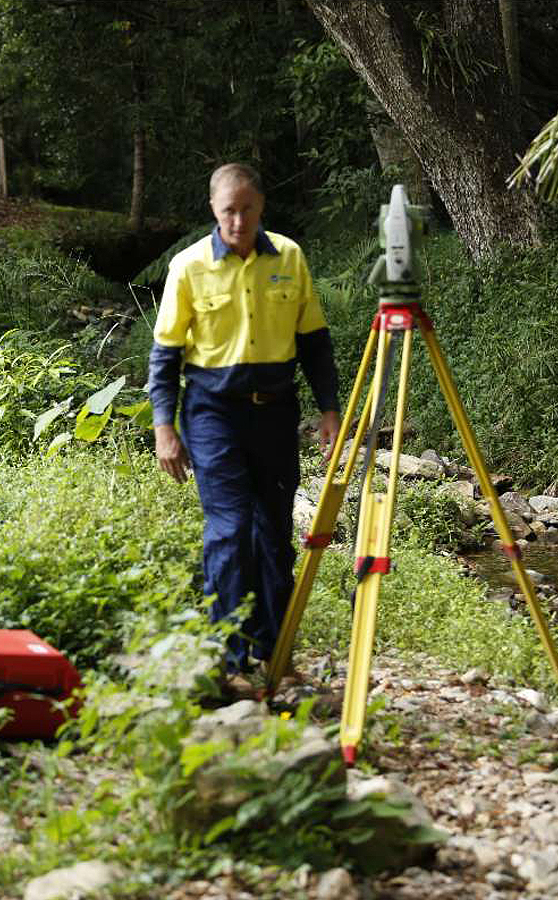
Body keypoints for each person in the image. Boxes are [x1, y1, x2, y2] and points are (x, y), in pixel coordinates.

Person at [148, 162, 340, 684]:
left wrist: (328, 408)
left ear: (260, 208)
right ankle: (231, 659)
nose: (238, 220)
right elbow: (164, 356)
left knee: (274, 534)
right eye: (229, 210)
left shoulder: (289, 258)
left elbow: (314, 342)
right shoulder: (188, 267)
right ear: (214, 209)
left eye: (247, 208)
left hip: (276, 413)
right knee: (230, 532)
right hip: (213, 414)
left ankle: (275, 653)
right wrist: (165, 428)